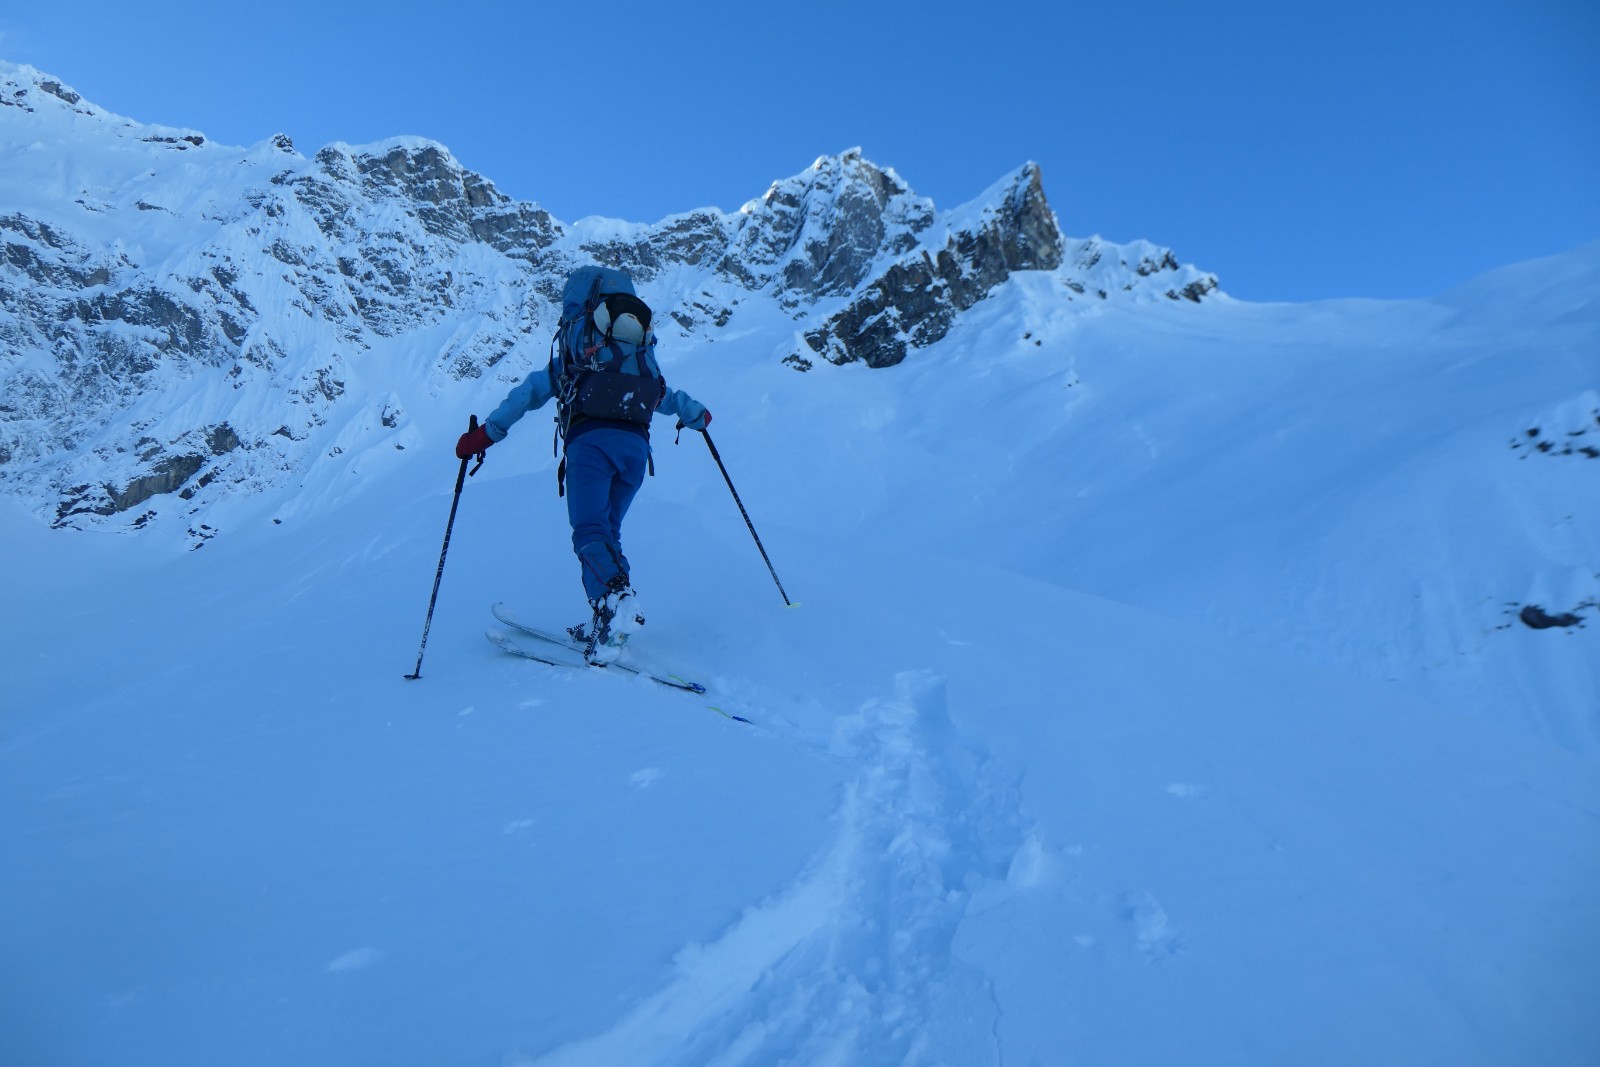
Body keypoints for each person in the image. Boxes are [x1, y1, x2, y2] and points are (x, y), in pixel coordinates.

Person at [455, 266, 711, 663]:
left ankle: (615, 599)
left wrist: (484, 436)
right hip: (636, 453)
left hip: (590, 446)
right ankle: (609, 618)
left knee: (589, 532)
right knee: (607, 532)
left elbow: (528, 394)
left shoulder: (575, 353)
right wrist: (698, 416)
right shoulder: (639, 353)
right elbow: (666, 395)